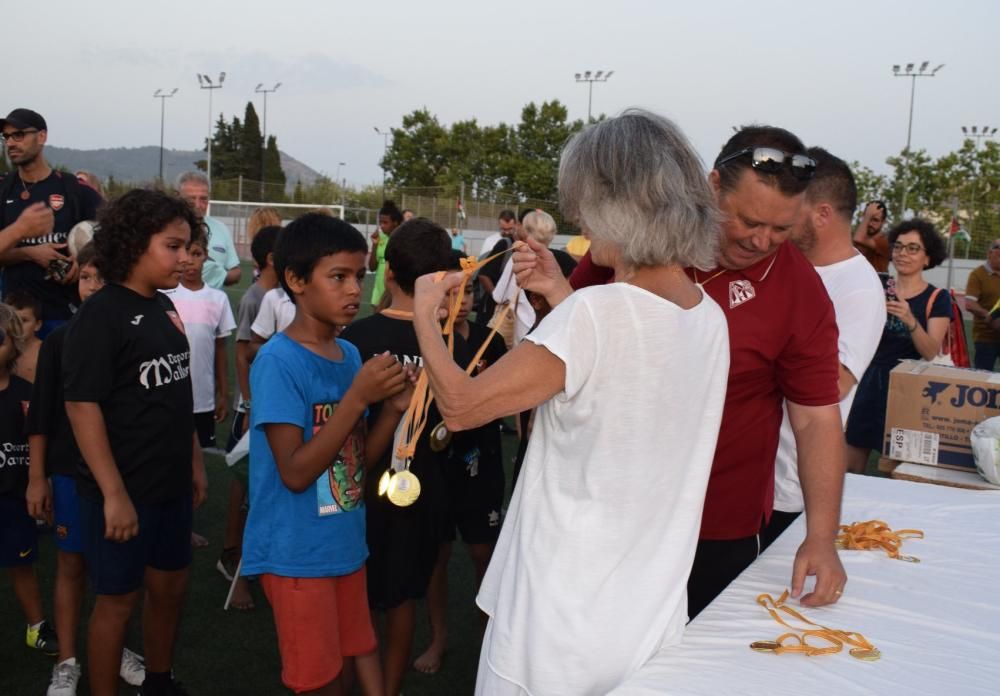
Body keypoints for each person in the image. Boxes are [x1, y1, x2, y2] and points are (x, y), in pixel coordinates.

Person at [414, 109, 730, 695]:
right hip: (644, 606)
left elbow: (460, 407)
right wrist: (561, 293)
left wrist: (423, 315)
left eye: (585, 201)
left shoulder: (597, 313)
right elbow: (617, 376)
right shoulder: (706, 314)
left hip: (559, 615)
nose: (578, 217)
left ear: (621, 205)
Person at [564, 125, 848, 618]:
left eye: (782, 230)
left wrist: (821, 538)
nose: (762, 240)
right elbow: (570, 328)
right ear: (711, 187)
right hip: (606, 502)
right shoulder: (640, 237)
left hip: (715, 520)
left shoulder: (801, 292)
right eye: (748, 220)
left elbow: (816, 418)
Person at [242, 213, 413, 696]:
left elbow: (358, 459)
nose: (354, 289)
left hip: (344, 546)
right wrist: (358, 399)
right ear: (296, 281)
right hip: (297, 557)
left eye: (359, 276)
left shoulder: (349, 356)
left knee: (359, 648)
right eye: (337, 277)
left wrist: (392, 412)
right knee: (321, 681)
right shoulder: (278, 361)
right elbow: (295, 473)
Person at [63, 189, 208, 696]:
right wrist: (114, 494)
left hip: (168, 483)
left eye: (189, 247)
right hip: (122, 491)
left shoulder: (167, 307)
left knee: (170, 588)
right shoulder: (100, 316)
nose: (185, 258)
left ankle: (159, 681)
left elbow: (177, 390)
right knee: (117, 600)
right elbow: (82, 406)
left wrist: (194, 460)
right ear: (133, 244)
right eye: (173, 246)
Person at [340, 218, 463, 696]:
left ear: (387, 273)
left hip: (359, 490)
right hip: (426, 488)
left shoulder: (354, 339)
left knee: (358, 599)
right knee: (405, 597)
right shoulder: (450, 341)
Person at [26, 243, 146, 695]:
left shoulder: (135, 334)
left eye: (102, 277)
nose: (93, 286)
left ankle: (115, 650)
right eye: (86, 278)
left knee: (118, 571)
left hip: (125, 473)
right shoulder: (60, 340)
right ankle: (68, 659)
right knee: (72, 565)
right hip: (70, 475)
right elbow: (40, 416)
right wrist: (37, 477)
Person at [763, 147, 886, 547]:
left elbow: (832, 385)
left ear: (822, 214)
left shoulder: (859, 290)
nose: (779, 219)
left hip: (789, 484)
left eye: (792, 208)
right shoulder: (781, 262)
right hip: (746, 475)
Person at [413, 251, 507, 675]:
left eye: (468, 290)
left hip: (481, 461)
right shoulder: (425, 340)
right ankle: (439, 637)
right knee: (436, 552)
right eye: (452, 292)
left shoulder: (494, 341)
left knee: (484, 552)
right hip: (435, 465)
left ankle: (492, 635)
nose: (463, 300)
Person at [845, 218, 950, 475]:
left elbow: (930, 351)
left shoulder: (937, 298)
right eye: (899, 246)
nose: (903, 253)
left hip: (907, 390)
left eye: (913, 248)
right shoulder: (877, 287)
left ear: (927, 258)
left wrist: (909, 319)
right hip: (867, 384)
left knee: (895, 471)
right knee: (850, 467)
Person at [219, 225, 281, 611]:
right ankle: (232, 555)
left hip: (273, 407)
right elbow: (243, 353)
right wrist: (248, 404)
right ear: (274, 259)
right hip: (256, 408)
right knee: (246, 487)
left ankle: (255, 562)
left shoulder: (281, 296)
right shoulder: (257, 298)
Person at [0, 109, 102, 337]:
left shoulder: (73, 189)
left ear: (42, 137)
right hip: (15, 317)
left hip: (64, 313)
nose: (10, 143)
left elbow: (112, 235)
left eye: (18, 135)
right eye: (6, 137)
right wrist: (30, 253)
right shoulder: (3, 189)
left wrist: (82, 260)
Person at [0, 303, 59, 658]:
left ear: (15, 343)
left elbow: (40, 442)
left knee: (22, 564)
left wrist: (42, 483)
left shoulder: (26, 393)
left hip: (13, 497)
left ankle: (36, 627)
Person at [162, 226, 236, 451]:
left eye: (197, 254)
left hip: (203, 399)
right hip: (169, 398)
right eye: (185, 252)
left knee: (201, 456)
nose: (190, 261)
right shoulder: (164, 296)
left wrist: (223, 394)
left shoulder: (218, 299)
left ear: (206, 256)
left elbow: (220, 349)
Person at [176, 171, 241, 289]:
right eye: (191, 199)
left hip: (211, 305)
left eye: (203, 199)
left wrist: (219, 277)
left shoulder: (221, 228)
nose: (197, 205)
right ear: (178, 196)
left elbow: (236, 271)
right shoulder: (168, 228)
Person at [964, 238, 1000, 371]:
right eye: (998, 248)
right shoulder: (977, 274)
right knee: (982, 378)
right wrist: (991, 317)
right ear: (989, 253)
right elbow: (969, 303)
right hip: (985, 337)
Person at [475, 210, 517, 318]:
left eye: (510, 229)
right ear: (499, 224)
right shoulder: (490, 241)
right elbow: (482, 270)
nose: (507, 232)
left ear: (516, 224)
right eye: (504, 229)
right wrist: (496, 297)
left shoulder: (516, 242)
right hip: (490, 298)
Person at [368, 200, 403, 306]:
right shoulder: (379, 237)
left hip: (394, 290)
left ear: (395, 223)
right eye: (380, 222)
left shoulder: (402, 239)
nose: (382, 226)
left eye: (385, 222)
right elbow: (372, 267)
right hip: (379, 289)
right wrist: (374, 244)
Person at [6, 289, 43, 383]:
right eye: (12, 319)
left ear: (37, 325)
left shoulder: (46, 352)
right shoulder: (2, 350)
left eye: (24, 320)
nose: (17, 325)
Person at [852, 200, 890, 273]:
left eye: (875, 220)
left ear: (883, 222)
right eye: (869, 219)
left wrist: (868, 215)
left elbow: (858, 239)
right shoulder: (859, 236)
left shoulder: (884, 241)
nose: (870, 224)